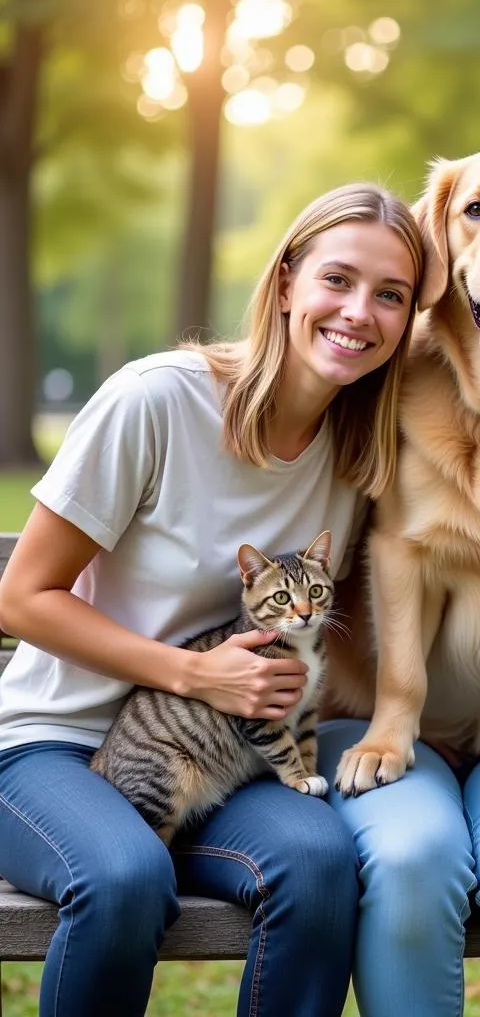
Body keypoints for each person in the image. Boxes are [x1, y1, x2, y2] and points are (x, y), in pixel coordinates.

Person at [0, 182, 422, 1017]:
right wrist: (192, 678)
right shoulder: (158, 399)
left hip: (227, 758)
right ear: (287, 280)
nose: (359, 312)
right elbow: (20, 596)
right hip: (55, 745)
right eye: (337, 280)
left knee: (318, 863)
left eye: (392, 296)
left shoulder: (359, 449)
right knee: (121, 877)